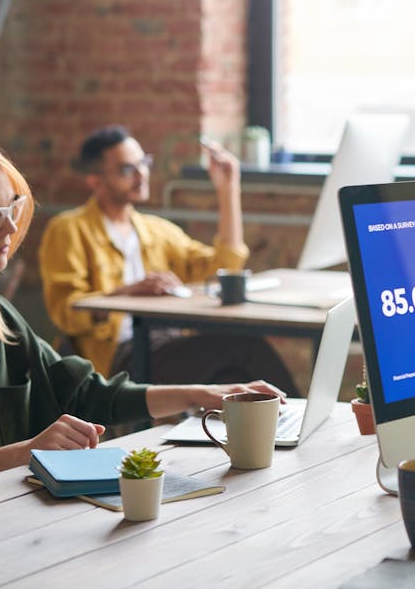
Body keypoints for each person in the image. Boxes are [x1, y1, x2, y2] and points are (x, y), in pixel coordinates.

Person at [0, 133, 285, 505]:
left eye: (14, 207)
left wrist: (203, 395)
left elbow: (85, 392)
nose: (10, 228)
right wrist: (29, 452)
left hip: (2, 515)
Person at [38, 126, 297, 393]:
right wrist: (127, 293)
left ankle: (281, 427)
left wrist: (228, 189)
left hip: (165, 343)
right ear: (95, 181)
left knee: (234, 374)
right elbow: (65, 313)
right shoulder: (69, 229)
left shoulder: (157, 230)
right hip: (118, 355)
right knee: (245, 348)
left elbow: (222, 267)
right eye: (127, 170)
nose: (141, 175)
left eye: (144, 164)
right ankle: (300, 424)